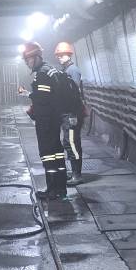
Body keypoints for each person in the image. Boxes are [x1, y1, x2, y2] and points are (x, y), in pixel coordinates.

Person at [21, 41, 68, 201]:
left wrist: (30, 99)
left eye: (28, 59)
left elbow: (42, 98)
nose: (27, 63)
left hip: (46, 122)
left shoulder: (42, 74)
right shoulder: (51, 70)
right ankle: (60, 189)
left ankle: (52, 189)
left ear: (36, 57)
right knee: (57, 154)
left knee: (48, 155)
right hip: (54, 120)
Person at [54, 41, 86, 185]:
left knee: (72, 143)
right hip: (67, 113)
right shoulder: (65, 71)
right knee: (68, 142)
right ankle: (74, 172)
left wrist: (73, 114)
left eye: (62, 54)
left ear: (69, 55)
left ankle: (77, 175)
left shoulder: (73, 70)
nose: (59, 57)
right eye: (58, 55)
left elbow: (74, 93)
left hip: (72, 113)